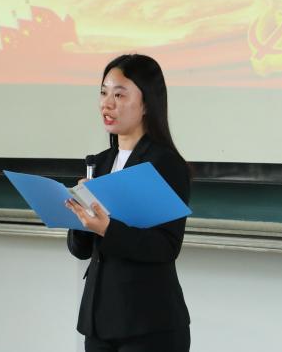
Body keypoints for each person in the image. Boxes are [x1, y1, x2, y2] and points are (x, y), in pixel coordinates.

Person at [65, 54, 192, 352]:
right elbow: (81, 250)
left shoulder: (164, 164)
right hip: (99, 321)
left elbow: (166, 247)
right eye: (103, 93)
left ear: (147, 104)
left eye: (119, 95)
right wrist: (80, 217)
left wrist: (107, 228)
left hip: (148, 324)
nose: (107, 104)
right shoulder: (99, 163)